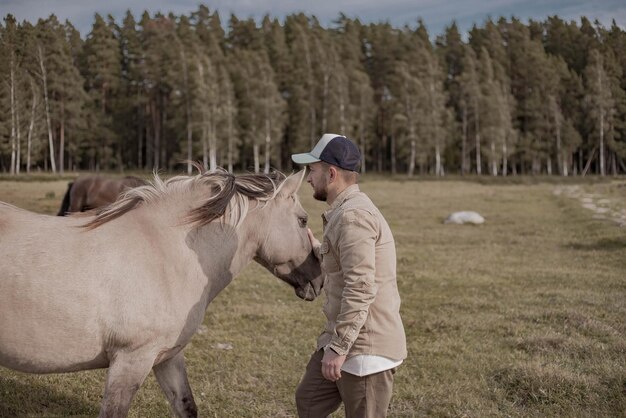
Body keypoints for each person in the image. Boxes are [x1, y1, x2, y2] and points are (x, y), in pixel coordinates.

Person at [292, 133, 407, 418]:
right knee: (309, 401)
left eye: (312, 170)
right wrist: (317, 248)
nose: (308, 178)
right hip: (344, 340)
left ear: (331, 173)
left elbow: (361, 287)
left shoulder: (353, 217)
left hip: (364, 349)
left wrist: (339, 348)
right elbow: (345, 262)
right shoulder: (343, 212)